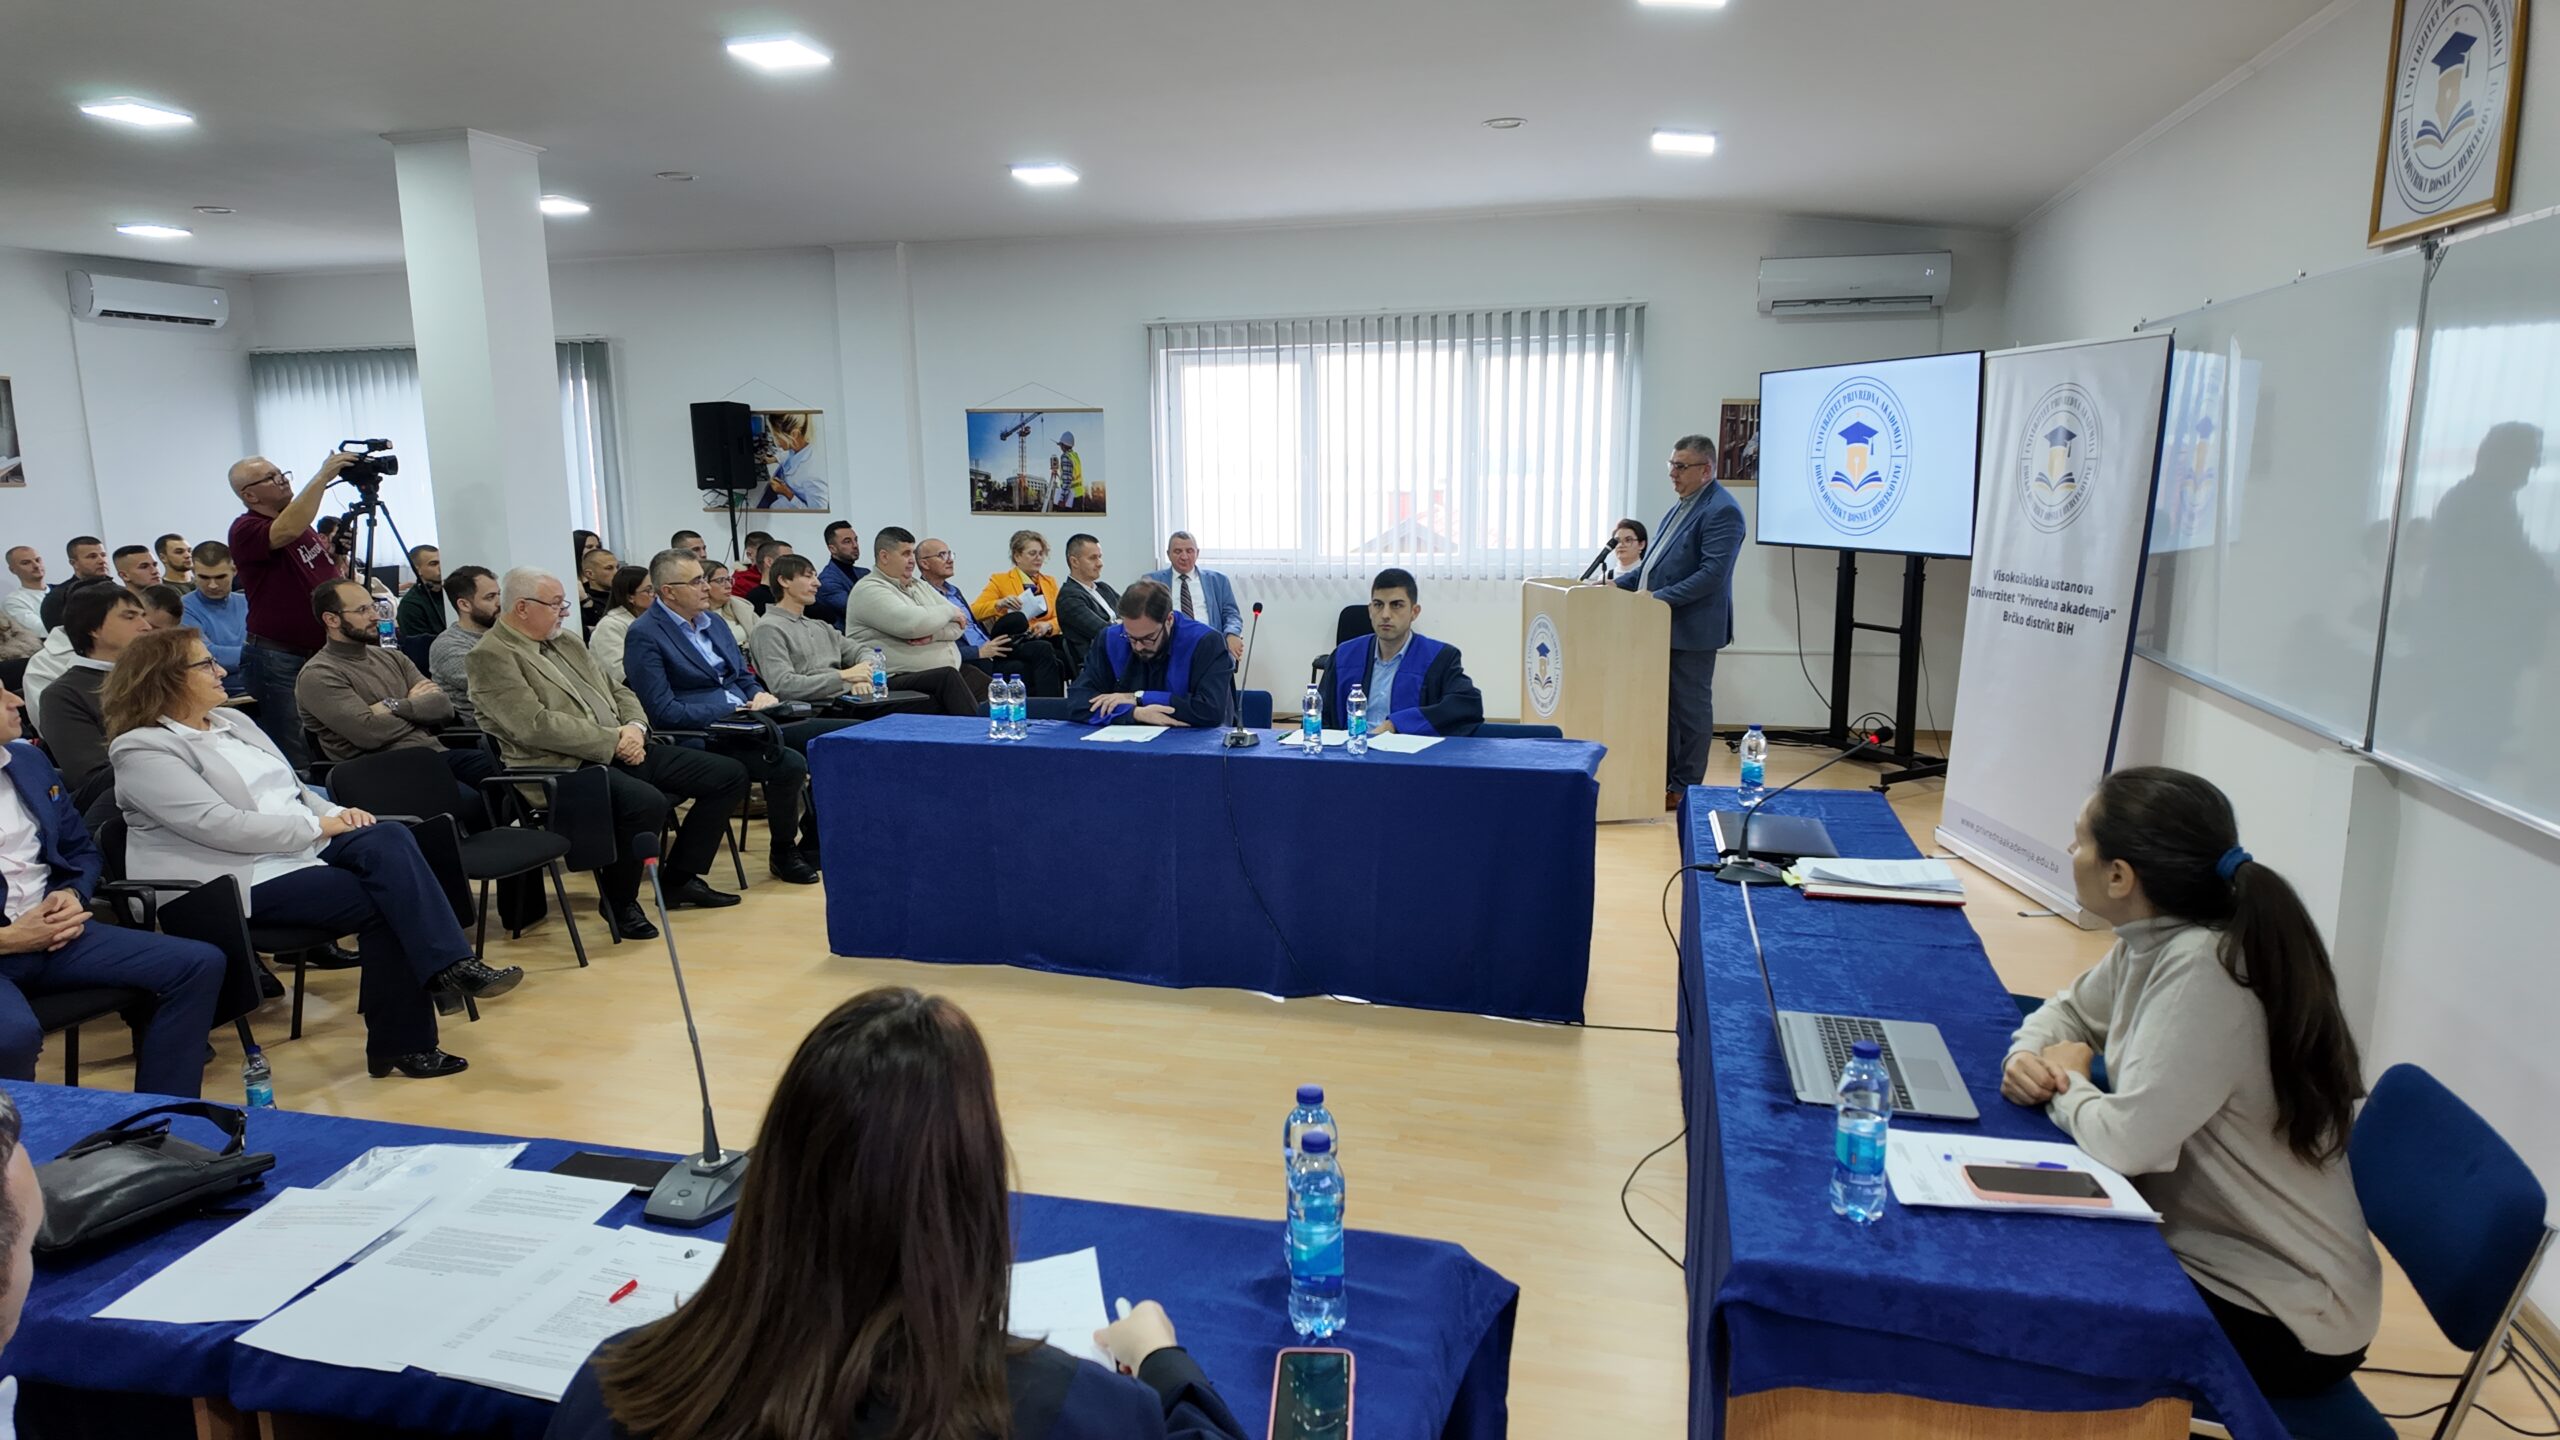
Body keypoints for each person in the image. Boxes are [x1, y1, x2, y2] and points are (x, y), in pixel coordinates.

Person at [547, 986, 1247, 1440]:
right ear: (968, 1193)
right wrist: (1162, 1362)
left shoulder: (618, 1384)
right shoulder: (1071, 1411)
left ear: (772, 1180)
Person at [2004, 767, 2380, 1398]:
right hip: (2222, 1258)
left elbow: (2126, 1144)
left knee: (2030, 1308)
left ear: (2120, 876)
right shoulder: (2154, 939)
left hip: (2283, 1314)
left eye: (2080, 840)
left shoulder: (2205, 972)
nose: (2071, 851)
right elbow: (2067, 1012)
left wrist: (2066, 1079)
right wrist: (2028, 1056)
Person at [108, 628, 520, 1080]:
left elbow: (296, 791)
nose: (222, 670)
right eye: (206, 664)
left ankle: (449, 969)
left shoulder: (234, 723)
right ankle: (418, 1022)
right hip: (233, 876)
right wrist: (317, 827)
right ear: (166, 678)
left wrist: (338, 812)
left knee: (389, 837)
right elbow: (217, 825)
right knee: (390, 902)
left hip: (301, 845)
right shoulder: (142, 748)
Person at [465, 568, 747, 939]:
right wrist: (612, 739)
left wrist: (635, 728)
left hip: (622, 746)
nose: (565, 611)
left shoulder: (566, 640)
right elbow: (533, 725)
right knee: (646, 803)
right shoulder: (490, 656)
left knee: (728, 775)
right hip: (561, 767)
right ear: (522, 608)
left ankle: (679, 879)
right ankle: (619, 901)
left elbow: (620, 690)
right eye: (556, 604)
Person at [0, 681, 227, 1098]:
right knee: (12, 1037)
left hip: (56, 934)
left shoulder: (28, 760)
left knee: (198, 963)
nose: (16, 701)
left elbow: (79, 851)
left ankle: (161, 1114)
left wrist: (72, 895)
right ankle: (16, 1138)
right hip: (7, 945)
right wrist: (10, 939)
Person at [621, 549, 842, 885]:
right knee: (789, 764)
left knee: (839, 740)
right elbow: (662, 710)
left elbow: (741, 676)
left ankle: (815, 842)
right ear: (668, 591)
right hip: (707, 733)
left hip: (753, 719)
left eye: (704, 579)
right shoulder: (645, 634)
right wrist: (734, 709)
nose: (706, 587)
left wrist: (759, 695)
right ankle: (784, 852)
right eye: (696, 581)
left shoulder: (714, 622)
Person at [295, 579, 498, 823]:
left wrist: (393, 706)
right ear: (332, 620)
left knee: (508, 774)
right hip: (382, 769)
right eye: (362, 610)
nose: (374, 616)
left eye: (373, 606)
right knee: (471, 802)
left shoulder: (391, 657)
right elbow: (368, 734)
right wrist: (416, 710)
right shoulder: (319, 674)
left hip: (432, 754)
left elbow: (443, 708)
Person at [1617, 434, 1745, 812]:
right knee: (1667, 711)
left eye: (1681, 466)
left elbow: (1711, 575)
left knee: (1690, 712)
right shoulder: (1683, 505)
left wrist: (1657, 598)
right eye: (1671, 465)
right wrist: (1614, 587)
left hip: (1693, 628)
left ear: (1706, 470)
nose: (1672, 473)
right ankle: (1666, 780)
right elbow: (1654, 566)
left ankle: (1687, 786)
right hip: (1663, 627)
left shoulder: (1723, 510)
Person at [227, 450, 367, 769]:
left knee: (333, 739)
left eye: (282, 473)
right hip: (279, 657)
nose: (282, 481)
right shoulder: (246, 528)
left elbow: (319, 572)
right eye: (271, 478)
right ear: (249, 495)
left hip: (320, 652)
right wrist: (323, 476)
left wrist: (337, 555)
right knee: (297, 748)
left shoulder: (301, 526)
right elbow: (285, 531)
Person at [1316, 569, 1482, 737]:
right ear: (1370, 610)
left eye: (1396, 605)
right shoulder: (1343, 656)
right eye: (1378, 605)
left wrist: (1397, 723)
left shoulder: (1440, 658)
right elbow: (1320, 715)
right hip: (1351, 748)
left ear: (1414, 612)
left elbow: (1467, 704)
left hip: (1409, 751)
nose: (1385, 615)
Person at [842, 529, 983, 718]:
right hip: (893, 679)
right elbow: (911, 625)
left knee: (989, 686)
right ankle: (976, 736)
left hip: (942, 674)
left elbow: (960, 624)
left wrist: (934, 635)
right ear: (884, 556)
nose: (912, 560)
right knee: (948, 679)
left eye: (912, 553)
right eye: (906, 554)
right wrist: (948, 611)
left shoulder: (918, 585)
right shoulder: (869, 589)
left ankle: (1012, 732)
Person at [1068, 580, 1233, 729]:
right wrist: (1135, 713)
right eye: (1131, 637)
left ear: (1169, 620)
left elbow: (1210, 711)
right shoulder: (1111, 638)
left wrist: (1139, 698)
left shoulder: (1204, 642)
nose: (1138, 647)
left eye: (1148, 638)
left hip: (1191, 743)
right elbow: (1078, 702)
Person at [38, 586, 153, 798]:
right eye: (130, 617)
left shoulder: (159, 675)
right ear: (93, 628)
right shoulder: (63, 696)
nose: (145, 626)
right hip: (136, 799)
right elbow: (91, 777)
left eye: (143, 616)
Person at [748, 555, 889, 705]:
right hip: (812, 708)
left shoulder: (821, 626)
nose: (817, 583)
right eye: (808, 576)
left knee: (902, 703)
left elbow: (864, 652)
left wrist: (862, 677)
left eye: (815, 576)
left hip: (845, 699)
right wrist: (844, 676)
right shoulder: (768, 629)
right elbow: (783, 686)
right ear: (784, 581)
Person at [915, 537, 1041, 700]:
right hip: (971, 658)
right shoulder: (922, 595)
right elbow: (936, 643)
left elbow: (974, 624)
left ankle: (1048, 710)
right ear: (924, 563)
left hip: (989, 647)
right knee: (1020, 668)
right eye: (942, 555)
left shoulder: (954, 591)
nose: (950, 560)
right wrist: (978, 651)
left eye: (950, 554)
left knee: (1039, 650)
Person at [971, 530, 1070, 691]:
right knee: (1043, 648)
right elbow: (974, 611)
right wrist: (999, 603)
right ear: (1017, 556)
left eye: (1041, 553)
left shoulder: (1049, 582)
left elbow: (1062, 617)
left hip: (1041, 636)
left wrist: (1048, 625)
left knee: (1065, 651)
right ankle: (1048, 703)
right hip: (1015, 639)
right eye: (1032, 553)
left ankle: (1067, 700)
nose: (1038, 558)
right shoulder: (1000, 580)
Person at [1144, 532, 1245, 662]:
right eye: (1178, 551)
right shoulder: (1152, 581)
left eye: (1189, 551)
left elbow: (1232, 614)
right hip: (1170, 648)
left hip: (1209, 645)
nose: (1184, 557)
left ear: (1197, 553)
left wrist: (1232, 633)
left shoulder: (1218, 580)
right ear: (1168, 554)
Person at [428, 565, 499, 723]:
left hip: (515, 719)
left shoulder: (502, 634)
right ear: (464, 605)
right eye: (490, 597)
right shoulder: (448, 645)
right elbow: (497, 687)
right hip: (484, 729)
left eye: (499, 594)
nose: (499, 603)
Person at [182, 544, 249, 699]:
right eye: (204, 577)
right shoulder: (183, 608)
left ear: (234, 571)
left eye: (220, 577)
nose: (212, 585)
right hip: (217, 696)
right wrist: (258, 654)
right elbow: (204, 656)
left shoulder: (248, 602)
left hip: (261, 688)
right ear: (193, 572)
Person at [1054, 532, 1120, 675]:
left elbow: (1133, 614)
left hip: (1120, 654)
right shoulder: (1069, 598)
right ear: (1074, 562)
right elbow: (1104, 631)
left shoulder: (1104, 588)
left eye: (1100, 557)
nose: (1100, 563)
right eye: (1093, 558)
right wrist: (1123, 624)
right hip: (1099, 664)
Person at [586, 566, 654, 685]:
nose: (655, 595)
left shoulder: (653, 620)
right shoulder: (610, 626)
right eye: (648, 590)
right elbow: (619, 673)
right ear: (630, 597)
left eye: (655, 589)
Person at [38, 536, 111, 632]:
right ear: (74, 563)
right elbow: (60, 637)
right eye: (92, 556)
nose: (102, 561)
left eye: (103, 555)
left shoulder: (118, 590)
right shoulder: (59, 597)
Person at [810, 520, 867, 627]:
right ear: (832, 549)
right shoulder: (827, 581)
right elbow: (856, 610)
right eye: (847, 541)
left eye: (855, 540)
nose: (855, 545)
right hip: (847, 635)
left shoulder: (865, 573)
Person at [700, 560, 756, 647]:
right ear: (704, 584)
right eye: (720, 580)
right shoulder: (696, 617)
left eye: (729, 580)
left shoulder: (742, 607)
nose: (729, 586)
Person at [397, 545, 446, 639]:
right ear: (417, 570)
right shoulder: (411, 605)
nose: (441, 567)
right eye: (433, 564)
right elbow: (420, 644)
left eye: (442, 562)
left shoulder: (452, 593)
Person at [577, 548, 620, 639]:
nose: (616, 573)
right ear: (590, 574)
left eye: (617, 567)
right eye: (609, 568)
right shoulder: (581, 601)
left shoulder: (623, 594)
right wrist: (586, 602)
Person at [1, 548, 45, 637]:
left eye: (37, 560)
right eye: (26, 563)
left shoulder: (63, 590)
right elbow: (42, 631)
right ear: (13, 570)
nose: (36, 565)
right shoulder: (13, 601)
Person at [742, 540, 792, 613]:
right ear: (769, 561)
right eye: (787, 559)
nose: (793, 564)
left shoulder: (792, 593)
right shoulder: (756, 597)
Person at [729, 531, 774, 600]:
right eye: (762, 552)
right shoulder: (739, 582)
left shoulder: (778, 575)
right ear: (749, 554)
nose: (769, 557)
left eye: (772, 552)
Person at [1601, 517, 1648, 582]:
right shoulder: (1605, 577)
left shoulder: (1647, 575)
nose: (1621, 545)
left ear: (1641, 545)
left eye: (1628, 540)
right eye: (1617, 541)